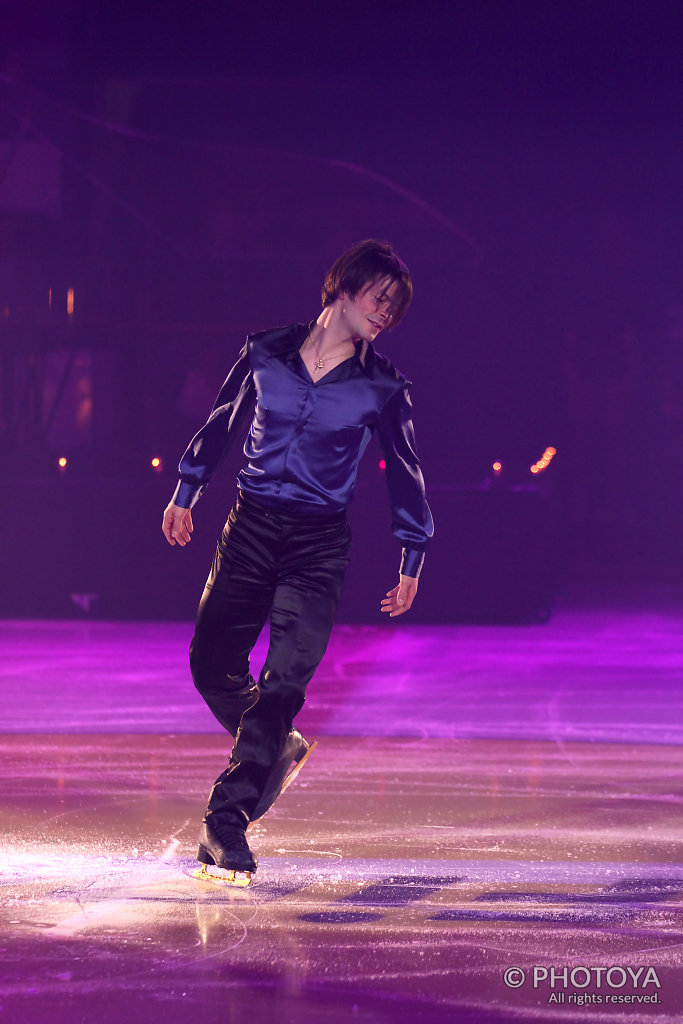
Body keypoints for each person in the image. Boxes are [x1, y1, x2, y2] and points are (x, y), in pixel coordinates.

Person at [162, 239, 433, 884]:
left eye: (396, 308)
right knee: (211, 664)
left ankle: (225, 823)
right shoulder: (266, 351)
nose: (386, 314)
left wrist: (411, 559)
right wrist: (185, 493)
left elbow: (408, 473)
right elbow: (220, 423)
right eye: (379, 298)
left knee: (284, 682)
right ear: (343, 287)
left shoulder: (382, 386)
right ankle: (275, 745)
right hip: (249, 528)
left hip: (317, 545)